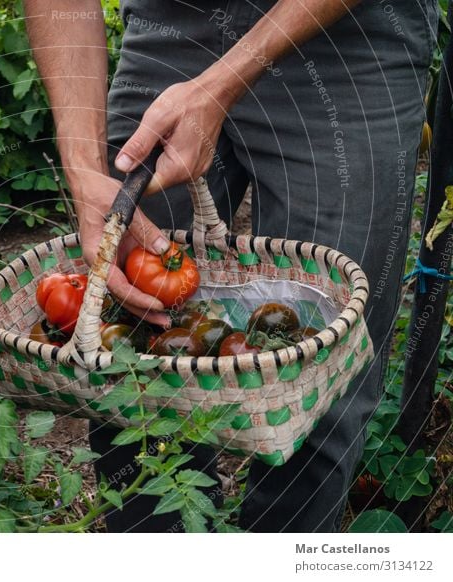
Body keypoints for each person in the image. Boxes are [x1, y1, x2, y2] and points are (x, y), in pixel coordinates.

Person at [24, 0, 438, 532]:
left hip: (348, 41)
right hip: (171, 25)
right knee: (126, 357)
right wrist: (81, 165)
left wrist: (220, 84)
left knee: (325, 380)